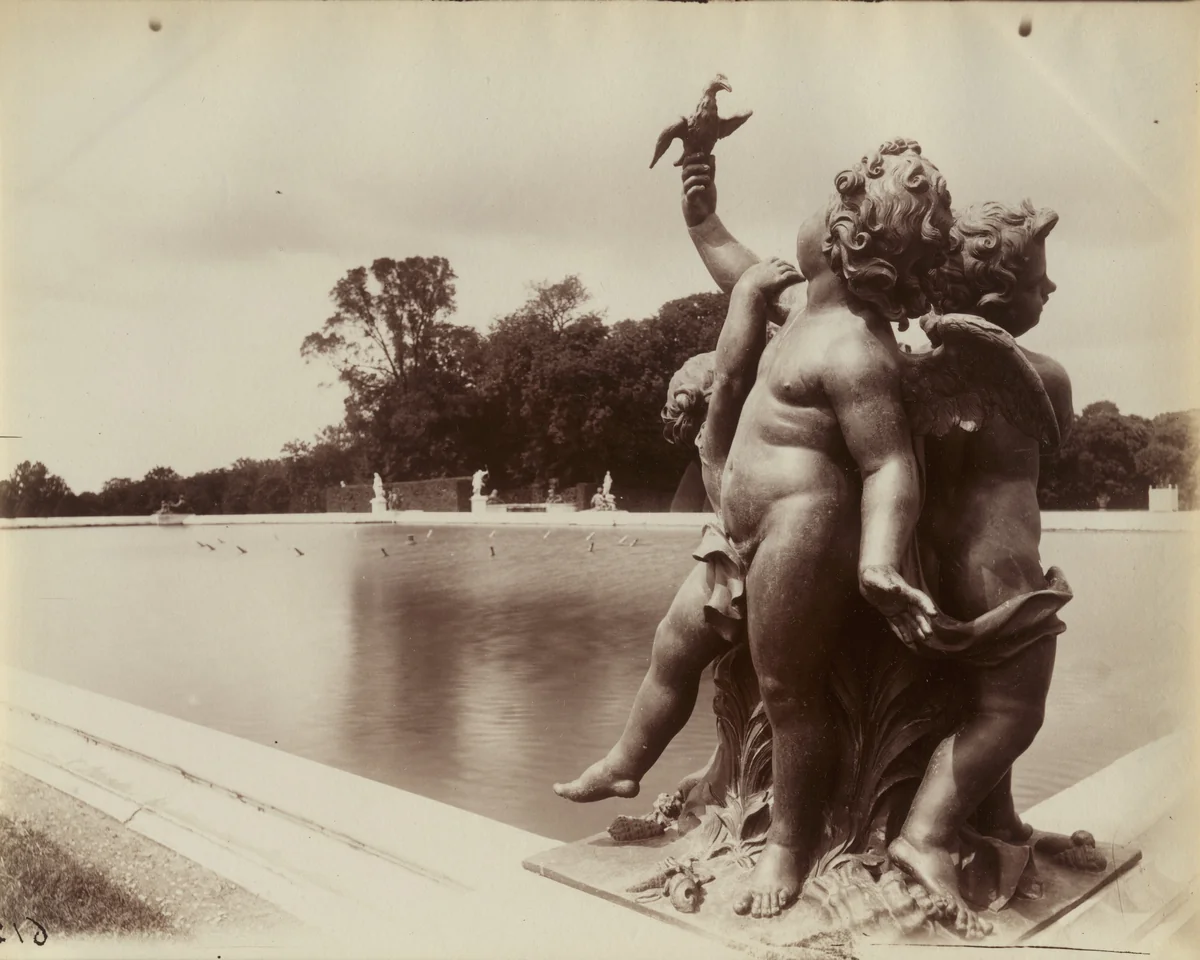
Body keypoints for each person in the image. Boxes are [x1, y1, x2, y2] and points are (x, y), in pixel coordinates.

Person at [712, 140, 952, 919]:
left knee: (790, 692)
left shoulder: (854, 346)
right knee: (685, 650)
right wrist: (697, 198)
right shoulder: (804, 312)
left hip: (802, 528)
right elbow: (738, 268)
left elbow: (889, 465)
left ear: (849, 244)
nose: (808, 224)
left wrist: (879, 559)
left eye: (828, 212)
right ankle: (698, 785)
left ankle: (789, 845)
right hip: (745, 526)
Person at [887, 200, 1076, 936]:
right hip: (1001, 567)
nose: (1050, 292)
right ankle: (927, 834)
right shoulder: (1043, 374)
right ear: (999, 300)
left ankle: (999, 829)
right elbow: (1051, 443)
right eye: (1040, 281)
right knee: (1012, 710)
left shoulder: (916, 370)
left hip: (944, 562)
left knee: (983, 705)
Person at [553, 255, 802, 804]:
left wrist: (749, 291)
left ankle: (629, 763)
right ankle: (644, 764)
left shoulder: (728, 425)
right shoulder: (729, 421)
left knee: (676, 654)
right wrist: (747, 292)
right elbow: (736, 371)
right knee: (683, 653)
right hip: (749, 555)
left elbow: (736, 369)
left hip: (756, 556)